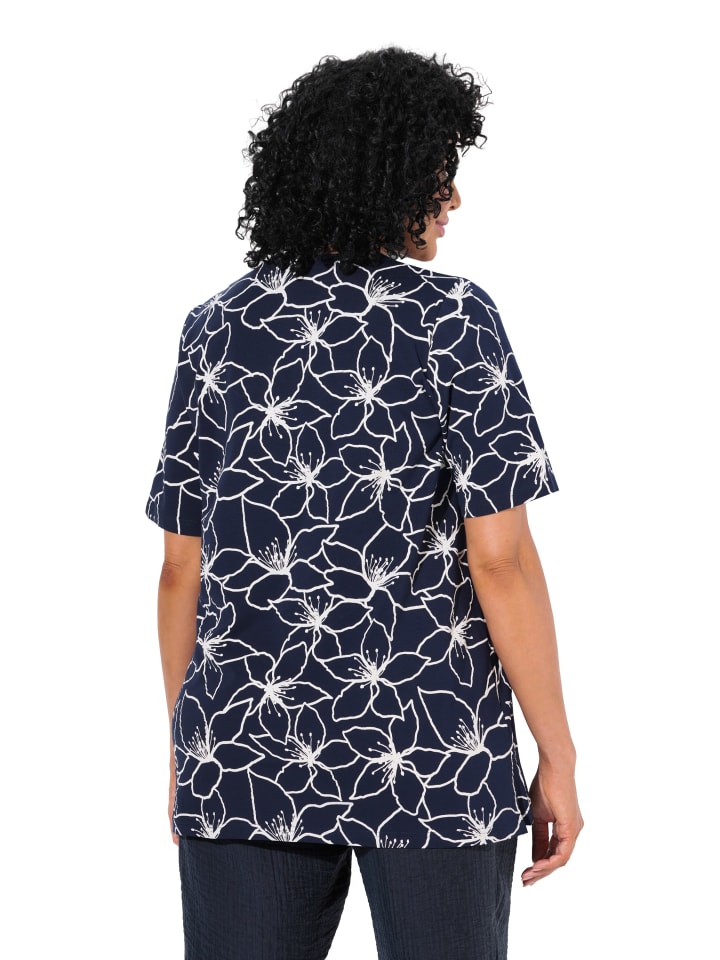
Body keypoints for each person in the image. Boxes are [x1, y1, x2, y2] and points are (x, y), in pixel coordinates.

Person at [147, 47, 582, 960]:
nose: (454, 198)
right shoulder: (454, 319)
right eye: (438, 172)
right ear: (383, 176)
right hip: (433, 746)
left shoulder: (216, 327)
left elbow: (181, 567)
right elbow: (499, 559)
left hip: (247, 743)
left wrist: (191, 745)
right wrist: (558, 752)